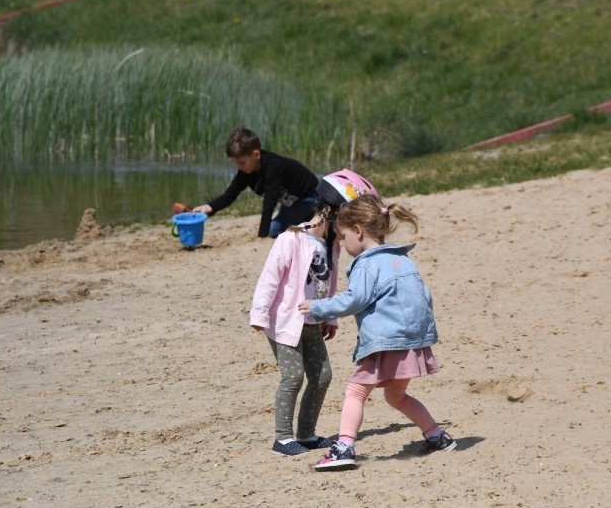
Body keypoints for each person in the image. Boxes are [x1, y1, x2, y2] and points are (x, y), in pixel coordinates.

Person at [299, 193, 456, 471]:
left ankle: (344, 447)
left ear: (358, 231)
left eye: (343, 236)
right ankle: (437, 436)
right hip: (411, 342)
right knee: (396, 397)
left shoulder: (367, 264)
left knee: (355, 393)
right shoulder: (404, 260)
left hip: (384, 342)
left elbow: (354, 299)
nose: (343, 244)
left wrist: (318, 307)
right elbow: (425, 296)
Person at [251, 169, 380, 456]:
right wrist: (259, 315)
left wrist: (329, 317)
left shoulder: (330, 247)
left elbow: (329, 286)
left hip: (311, 321)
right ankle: (282, 438)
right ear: (329, 214)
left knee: (322, 376)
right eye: (348, 222)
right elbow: (269, 279)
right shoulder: (292, 238)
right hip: (284, 321)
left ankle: (306, 434)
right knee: (293, 377)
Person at [192, 127, 320, 238]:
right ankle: (311, 219)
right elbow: (230, 195)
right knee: (276, 230)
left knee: (274, 232)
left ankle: (318, 215)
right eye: (236, 163)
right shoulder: (246, 172)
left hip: (308, 197)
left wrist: (262, 234)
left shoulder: (273, 166)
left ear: (256, 154)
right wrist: (209, 207)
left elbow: (270, 201)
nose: (239, 167)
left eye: (242, 162)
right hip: (290, 204)